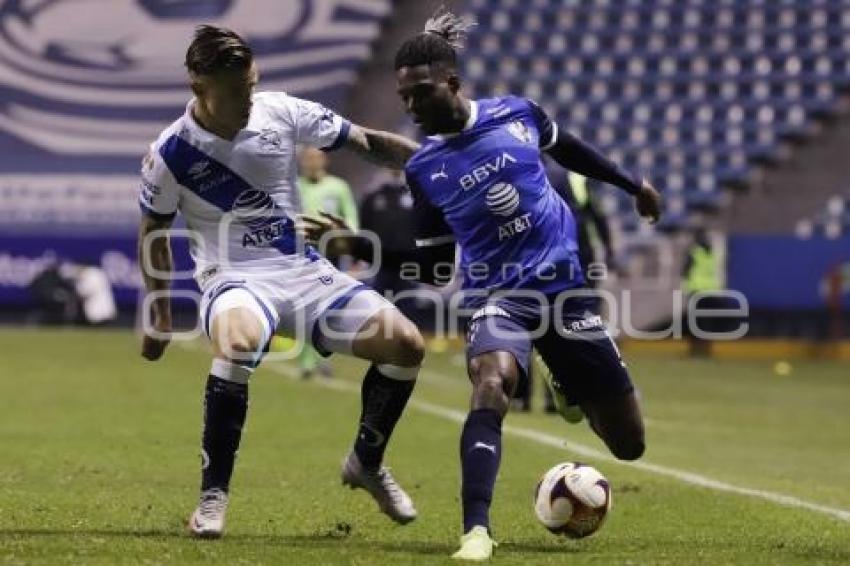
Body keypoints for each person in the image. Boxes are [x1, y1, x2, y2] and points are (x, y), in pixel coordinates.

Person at [301, 10, 662, 560]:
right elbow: (434, 267)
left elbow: (568, 147)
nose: (412, 106)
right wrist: (359, 247)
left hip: (565, 292)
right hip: (497, 299)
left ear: (452, 82)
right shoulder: (425, 169)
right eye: (405, 97)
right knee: (492, 385)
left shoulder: (517, 114)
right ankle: (476, 530)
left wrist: (632, 184)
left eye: (421, 92)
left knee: (629, 444)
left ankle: (563, 376)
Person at [138, 25, 425, 539]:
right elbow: (153, 230)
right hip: (234, 279)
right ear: (198, 86)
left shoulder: (281, 111)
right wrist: (160, 315)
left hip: (305, 274)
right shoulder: (170, 153)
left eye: (251, 85)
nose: (248, 100)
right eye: (235, 92)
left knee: (406, 344)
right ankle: (212, 497)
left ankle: (366, 462)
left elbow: (366, 141)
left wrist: (433, 161)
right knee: (240, 340)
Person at [296, 147, 360, 379]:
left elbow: (351, 218)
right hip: (302, 255)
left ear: (324, 159)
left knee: (329, 309)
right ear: (302, 162)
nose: (312, 162)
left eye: (315, 157)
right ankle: (306, 361)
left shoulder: (338, 187)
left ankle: (321, 357)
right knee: (305, 307)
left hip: (332, 254)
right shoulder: (294, 187)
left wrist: (350, 244)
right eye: (307, 158)